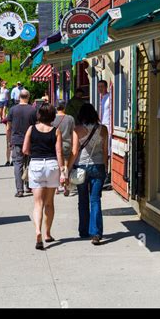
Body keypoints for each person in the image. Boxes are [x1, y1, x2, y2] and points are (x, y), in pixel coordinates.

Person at [23, 104, 67, 249]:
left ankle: (38, 232)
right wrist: (63, 171)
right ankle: (47, 233)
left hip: (36, 165)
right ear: (52, 116)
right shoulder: (56, 131)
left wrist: (34, 154)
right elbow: (59, 153)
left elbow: (25, 149)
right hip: (52, 165)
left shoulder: (31, 129)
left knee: (38, 204)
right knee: (49, 203)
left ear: (39, 115)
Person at [70, 102, 108, 245]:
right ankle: (96, 233)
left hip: (81, 167)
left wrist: (67, 168)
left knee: (83, 200)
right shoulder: (103, 129)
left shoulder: (77, 129)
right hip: (98, 167)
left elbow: (74, 151)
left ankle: (83, 230)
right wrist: (106, 167)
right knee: (95, 199)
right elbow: (105, 151)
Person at [7, 89, 37, 196]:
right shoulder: (33, 110)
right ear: (28, 97)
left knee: (17, 164)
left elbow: (8, 127)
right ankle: (29, 186)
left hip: (17, 140)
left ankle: (19, 190)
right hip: (30, 141)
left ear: (19, 97)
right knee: (30, 163)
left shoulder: (13, 110)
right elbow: (36, 126)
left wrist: (9, 140)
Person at [52, 101, 75, 196]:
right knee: (66, 166)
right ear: (64, 108)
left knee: (57, 165)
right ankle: (66, 187)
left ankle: (56, 187)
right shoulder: (70, 119)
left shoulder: (52, 119)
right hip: (67, 144)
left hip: (54, 144)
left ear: (57, 108)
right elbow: (73, 133)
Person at [97, 80, 112, 190]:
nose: (100, 89)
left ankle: (107, 173)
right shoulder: (101, 99)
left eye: (102, 86)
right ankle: (104, 172)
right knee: (103, 150)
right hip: (102, 126)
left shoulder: (109, 98)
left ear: (106, 87)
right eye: (99, 87)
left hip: (109, 126)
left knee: (107, 150)